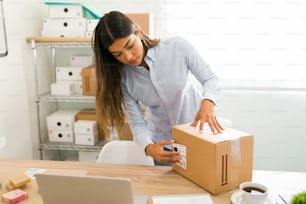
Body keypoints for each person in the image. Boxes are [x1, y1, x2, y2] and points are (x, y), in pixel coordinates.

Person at [92, 11, 224, 166]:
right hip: (163, 146)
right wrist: (148, 147)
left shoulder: (177, 46)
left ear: (138, 32)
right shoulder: (124, 78)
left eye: (129, 46)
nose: (128, 57)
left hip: (198, 137)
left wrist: (208, 102)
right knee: (166, 190)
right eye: (118, 54)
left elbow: (210, 79)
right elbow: (137, 122)